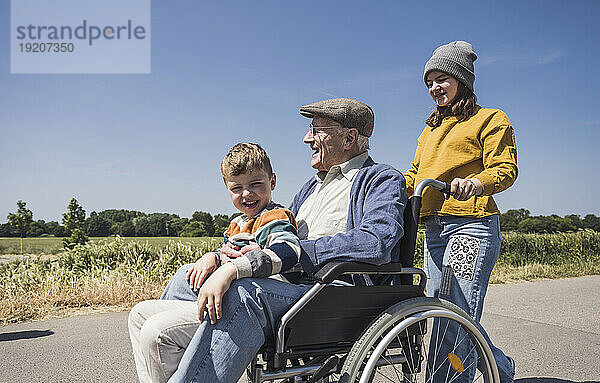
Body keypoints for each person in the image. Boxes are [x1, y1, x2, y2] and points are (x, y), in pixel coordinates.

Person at [129, 98, 408, 383]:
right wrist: (223, 256)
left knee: (244, 294)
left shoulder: (381, 179)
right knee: (177, 286)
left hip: (331, 294)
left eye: (317, 130)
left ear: (350, 137)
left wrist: (296, 254)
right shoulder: (311, 186)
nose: (307, 138)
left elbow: (376, 241)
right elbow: (274, 231)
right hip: (289, 285)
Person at [129, 142, 302, 383]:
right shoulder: (236, 224)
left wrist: (238, 265)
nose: (246, 194)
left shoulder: (275, 217)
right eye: (237, 187)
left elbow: (289, 251)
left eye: (255, 184)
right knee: (140, 314)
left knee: (156, 332)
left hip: (259, 300)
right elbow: (229, 252)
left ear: (272, 182)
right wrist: (215, 257)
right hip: (227, 293)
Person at [404, 41, 518, 383]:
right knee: (444, 313)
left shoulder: (490, 119)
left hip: (471, 226)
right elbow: (415, 173)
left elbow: (505, 168)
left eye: (442, 79)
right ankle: (499, 367)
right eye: (429, 83)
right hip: (434, 228)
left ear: (462, 80)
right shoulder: (430, 129)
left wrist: (476, 183)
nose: (434, 88)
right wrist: (393, 186)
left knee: (455, 315)